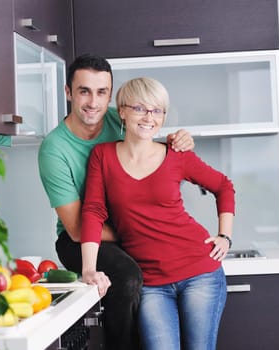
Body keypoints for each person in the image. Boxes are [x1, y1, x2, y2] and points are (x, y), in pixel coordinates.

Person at [38, 54, 195, 350]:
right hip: (80, 239)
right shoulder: (54, 149)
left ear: (112, 95)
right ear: (68, 92)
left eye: (102, 92)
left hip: (126, 231)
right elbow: (75, 228)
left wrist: (178, 140)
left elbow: (155, 152)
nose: (93, 102)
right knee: (127, 276)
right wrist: (143, 233)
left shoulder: (121, 119)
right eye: (84, 91)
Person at [80, 77, 235, 350]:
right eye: (140, 108)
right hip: (151, 283)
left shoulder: (177, 154)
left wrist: (225, 235)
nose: (149, 117)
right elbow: (93, 211)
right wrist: (89, 268)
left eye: (158, 110)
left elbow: (223, 186)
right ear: (123, 112)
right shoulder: (102, 156)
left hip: (200, 273)